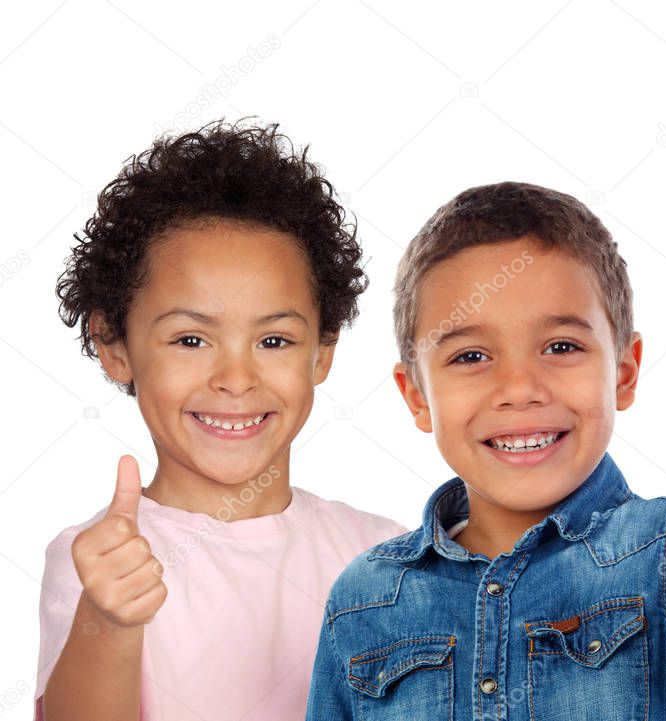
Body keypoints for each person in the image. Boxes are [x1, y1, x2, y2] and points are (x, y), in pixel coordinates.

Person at [305, 181, 666, 720]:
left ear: (623, 372)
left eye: (561, 347)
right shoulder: (365, 598)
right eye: (471, 356)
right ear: (417, 396)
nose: (519, 387)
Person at [35, 120, 406, 721]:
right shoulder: (99, 561)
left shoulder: (384, 555)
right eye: (190, 339)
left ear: (323, 351)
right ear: (114, 344)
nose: (236, 379)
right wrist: (108, 620)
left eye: (275, 340)